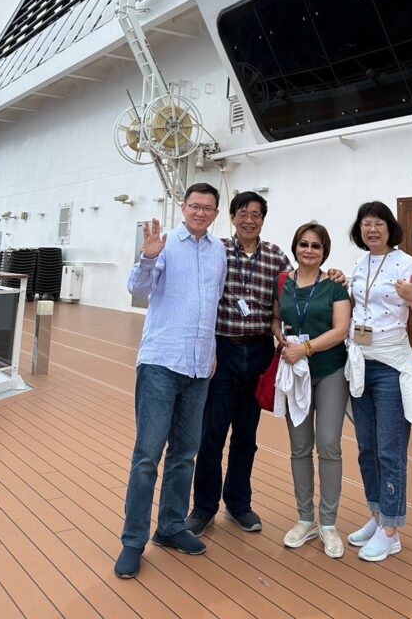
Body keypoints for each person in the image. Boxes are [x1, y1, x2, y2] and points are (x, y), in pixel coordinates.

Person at [115, 183, 227, 580]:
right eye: (194, 206)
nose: (200, 212)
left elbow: (212, 305)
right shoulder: (165, 245)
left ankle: (172, 526)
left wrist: (211, 349)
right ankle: (133, 541)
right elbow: (138, 290)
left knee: (184, 454)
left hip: (199, 367)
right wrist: (147, 258)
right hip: (162, 362)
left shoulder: (219, 252)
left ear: (216, 213)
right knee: (147, 456)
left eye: (207, 208)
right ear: (184, 208)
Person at [346, 200, 412, 563]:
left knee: (391, 449)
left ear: (390, 228)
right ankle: (376, 516)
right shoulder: (360, 263)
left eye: (377, 223)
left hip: (390, 365)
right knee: (366, 447)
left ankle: (392, 529)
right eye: (365, 224)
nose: (371, 229)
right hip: (360, 363)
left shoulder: (406, 264)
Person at [186, 191, 290, 536]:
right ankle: (203, 508)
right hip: (223, 351)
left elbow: (295, 293)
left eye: (256, 214)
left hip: (258, 351)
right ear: (231, 217)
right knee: (211, 435)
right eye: (243, 213)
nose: (249, 219)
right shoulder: (217, 251)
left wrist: (332, 276)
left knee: (247, 434)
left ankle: (238, 503)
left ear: (263, 219)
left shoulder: (276, 257)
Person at [272, 221, 351, 558]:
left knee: (328, 443)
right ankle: (305, 519)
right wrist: (281, 339)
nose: (309, 250)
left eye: (316, 246)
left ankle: (329, 523)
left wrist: (305, 349)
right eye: (303, 244)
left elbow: (341, 330)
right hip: (296, 374)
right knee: (300, 446)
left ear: (324, 251)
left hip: (330, 370)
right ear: (295, 247)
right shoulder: (283, 283)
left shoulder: (335, 285)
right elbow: (276, 318)